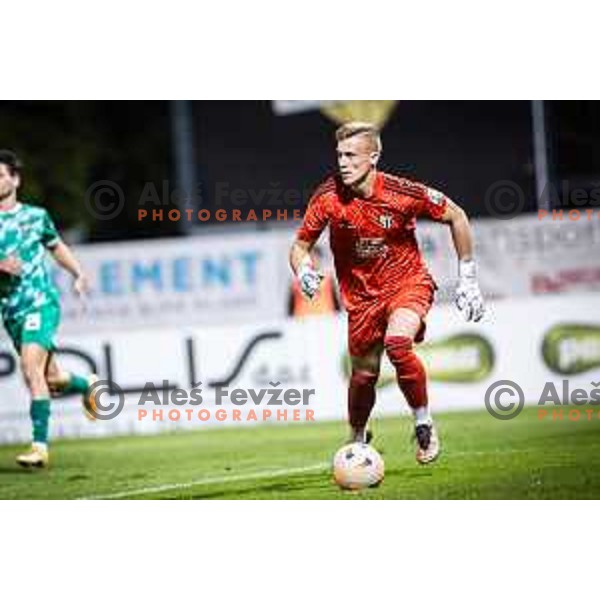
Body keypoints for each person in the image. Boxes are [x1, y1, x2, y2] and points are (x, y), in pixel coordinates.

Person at [289, 122, 484, 464]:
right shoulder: (328, 197)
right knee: (364, 374)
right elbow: (300, 246)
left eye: (351, 155)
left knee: (398, 343)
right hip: (362, 299)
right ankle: (357, 436)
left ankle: (423, 422)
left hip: (407, 284)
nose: (343, 163)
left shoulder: (401, 192)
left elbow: (457, 215)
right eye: (339, 155)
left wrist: (467, 277)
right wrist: (303, 269)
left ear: (374, 156)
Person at [0, 150, 98, 468]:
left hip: (40, 302)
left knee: (31, 369)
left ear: (15, 179)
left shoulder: (35, 216)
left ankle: (39, 447)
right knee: (50, 378)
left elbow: (55, 246)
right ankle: (87, 385)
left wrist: (79, 273)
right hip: (11, 310)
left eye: (1, 175)